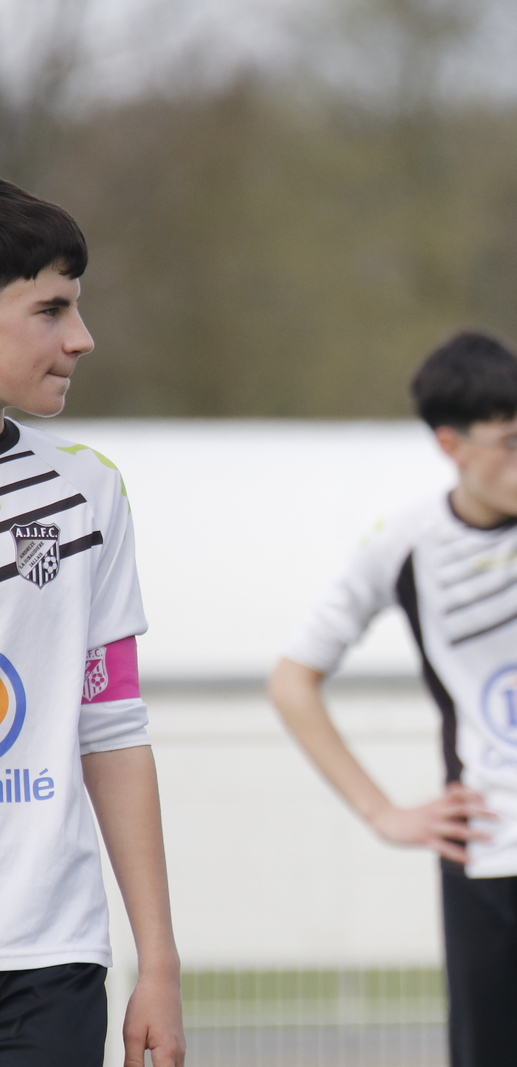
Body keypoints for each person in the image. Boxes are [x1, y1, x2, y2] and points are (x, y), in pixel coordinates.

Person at [267, 331, 517, 1067]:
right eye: (511, 441)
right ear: (451, 445)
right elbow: (292, 679)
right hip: (489, 864)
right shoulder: (405, 542)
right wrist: (384, 813)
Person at [0, 180, 186, 1066]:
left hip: (52, 957)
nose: (82, 337)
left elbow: (111, 727)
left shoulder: (86, 491)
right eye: (51, 309)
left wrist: (160, 961)